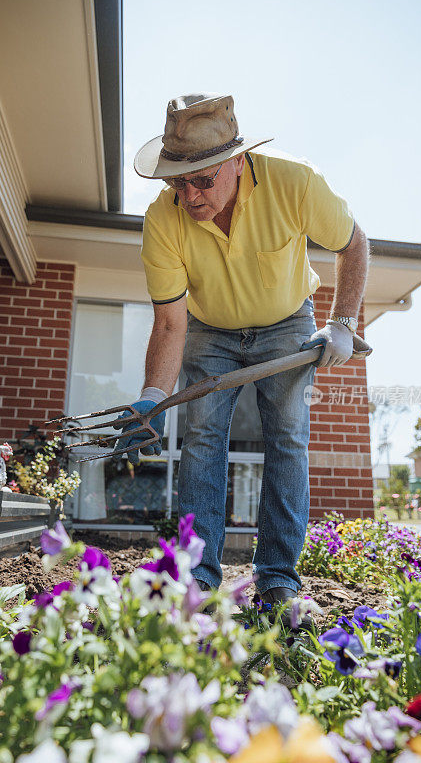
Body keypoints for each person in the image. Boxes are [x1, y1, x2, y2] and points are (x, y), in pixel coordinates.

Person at [117, 93, 369, 610]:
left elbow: (353, 243)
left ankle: (277, 580)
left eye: (203, 179)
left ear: (236, 161)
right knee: (203, 438)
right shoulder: (163, 221)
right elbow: (170, 321)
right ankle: (200, 581)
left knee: (288, 438)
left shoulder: (293, 184)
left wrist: (343, 323)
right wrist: (151, 395)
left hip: (286, 324)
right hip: (210, 331)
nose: (189, 195)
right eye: (177, 181)